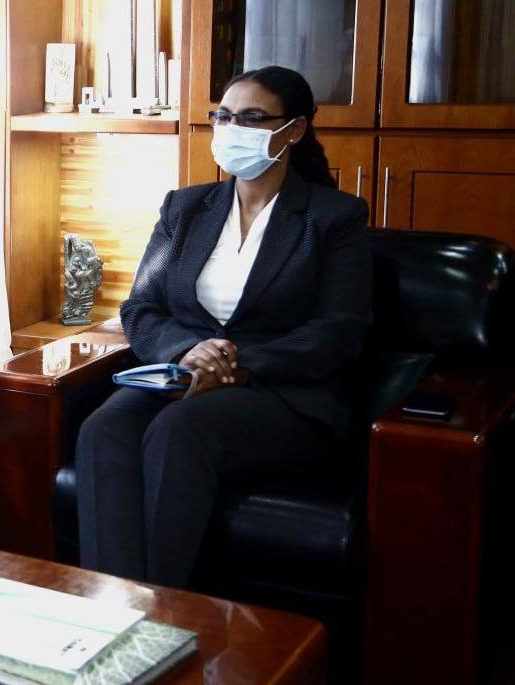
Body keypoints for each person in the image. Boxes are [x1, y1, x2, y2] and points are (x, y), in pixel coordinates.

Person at [75, 65, 372, 589]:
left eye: (252, 118)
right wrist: (187, 351)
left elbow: (338, 330)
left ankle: (165, 609)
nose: (233, 129)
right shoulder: (185, 208)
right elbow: (141, 307)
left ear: (294, 130)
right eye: (224, 116)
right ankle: (116, 604)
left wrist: (234, 365)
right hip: (183, 372)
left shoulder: (334, 217)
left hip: (281, 392)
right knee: (105, 427)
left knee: (178, 429)